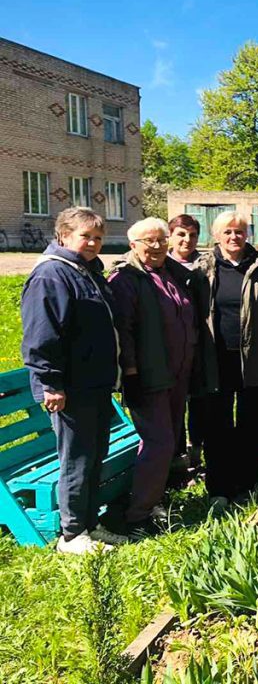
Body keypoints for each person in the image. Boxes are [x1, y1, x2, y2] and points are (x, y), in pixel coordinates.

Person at [21, 207, 125, 553]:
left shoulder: (87, 272)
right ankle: (72, 535)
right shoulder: (51, 275)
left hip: (95, 384)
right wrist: (50, 383)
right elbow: (41, 335)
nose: (93, 243)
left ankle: (91, 525)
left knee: (95, 455)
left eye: (98, 237)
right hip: (70, 389)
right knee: (77, 459)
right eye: (86, 236)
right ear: (63, 236)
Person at [108, 217, 205, 538]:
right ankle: (136, 516)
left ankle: (153, 502)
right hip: (147, 377)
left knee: (169, 440)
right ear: (133, 244)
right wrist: (131, 373)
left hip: (176, 375)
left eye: (161, 240)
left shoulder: (172, 274)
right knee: (159, 442)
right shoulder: (125, 280)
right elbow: (123, 331)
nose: (156, 246)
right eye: (148, 241)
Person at [194, 211, 258, 510]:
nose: (234, 237)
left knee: (254, 424)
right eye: (228, 232)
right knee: (217, 426)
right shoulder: (202, 270)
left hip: (255, 361)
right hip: (216, 361)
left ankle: (247, 484)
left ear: (246, 235)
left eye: (239, 232)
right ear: (216, 235)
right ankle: (219, 488)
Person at [167, 214, 204, 468]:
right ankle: (177, 457)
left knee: (200, 400)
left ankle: (198, 450)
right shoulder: (161, 265)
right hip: (172, 348)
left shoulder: (205, 264)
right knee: (175, 403)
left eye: (192, 235)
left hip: (202, 344)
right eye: (181, 234)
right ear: (170, 236)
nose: (186, 240)